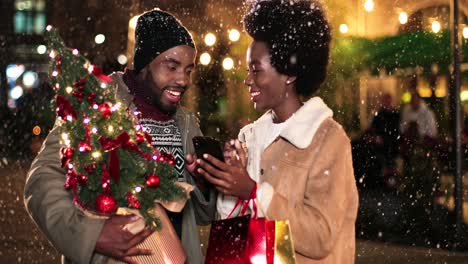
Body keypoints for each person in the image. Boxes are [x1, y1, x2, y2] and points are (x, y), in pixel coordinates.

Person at [24, 9, 216, 264]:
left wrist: (205, 182)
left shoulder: (185, 122)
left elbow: (203, 214)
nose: (182, 80)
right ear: (144, 63)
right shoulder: (98, 106)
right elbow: (41, 181)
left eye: (188, 70)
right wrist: (93, 235)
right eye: (171, 67)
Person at [196, 1, 359, 263]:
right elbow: (233, 229)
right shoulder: (248, 136)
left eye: (256, 70)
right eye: (248, 70)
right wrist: (213, 177)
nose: (247, 79)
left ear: (290, 73)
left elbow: (320, 236)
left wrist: (254, 193)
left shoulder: (328, 140)